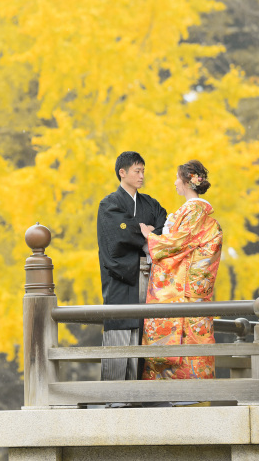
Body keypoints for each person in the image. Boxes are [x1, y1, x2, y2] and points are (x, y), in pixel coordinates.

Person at [138, 159, 223, 380]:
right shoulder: (193, 211)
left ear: (187, 182)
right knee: (193, 341)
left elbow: (178, 243)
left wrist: (151, 237)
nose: (175, 183)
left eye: (177, 178)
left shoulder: (194, 210)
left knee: (187, 339)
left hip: (185, 290)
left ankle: (181, 390)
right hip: (192, 288)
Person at [97, 151, 167, 383]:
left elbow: (163, 224)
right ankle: (116, 394)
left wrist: (144, 233)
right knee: (121, 328)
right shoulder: (109, 204)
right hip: (122, 275)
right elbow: (117, 234)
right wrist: (145, 233)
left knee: (146, 329)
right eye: (137, 171)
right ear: (122, 172)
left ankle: (143, 393)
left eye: (143, 171)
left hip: (148, 273)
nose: (141, 176)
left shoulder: (150, 203)